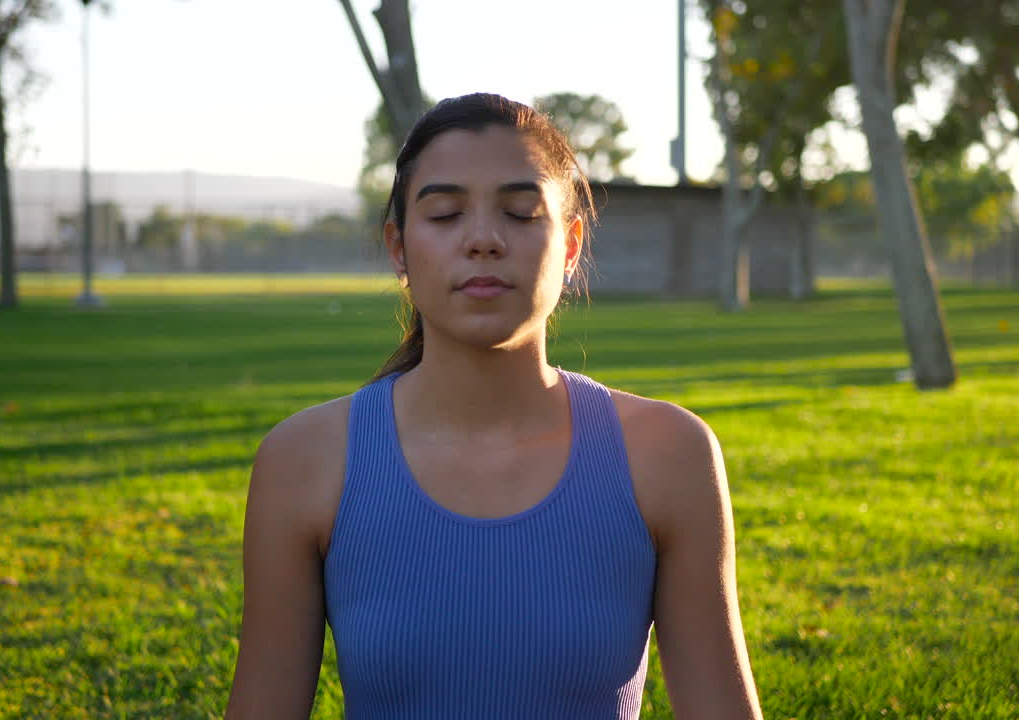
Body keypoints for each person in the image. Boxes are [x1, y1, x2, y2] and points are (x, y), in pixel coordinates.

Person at [224, 93, 763, 720]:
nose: (482, 239)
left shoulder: (668, 453)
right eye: (447, 214)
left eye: (519, 211)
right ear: (398, 248)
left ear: (570, 248)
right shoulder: (305, 460)